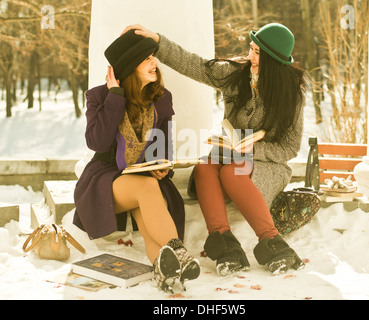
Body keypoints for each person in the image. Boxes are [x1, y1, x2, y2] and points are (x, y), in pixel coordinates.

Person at [123, 23, 308, 275]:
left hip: (267, 166)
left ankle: (273, 243)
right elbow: (194, 65)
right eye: (251, 49)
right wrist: (158, 42)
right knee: (204, 167)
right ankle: (224, 245)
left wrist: (255, 149)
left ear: (275, 62)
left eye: (257, 53)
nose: (250, 57)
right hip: (228, 155)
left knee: (234, 171)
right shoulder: (235, 75)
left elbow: (290, 147)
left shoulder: (292, 95)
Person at [73, 30, 200, 292]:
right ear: (130, 67)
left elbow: (164, 148)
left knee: (147, 200)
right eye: (147, 59)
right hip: (107, 179)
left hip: (145, 179)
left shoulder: (162, 98)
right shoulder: (99, 96)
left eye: (153, 57)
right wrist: (115, 96)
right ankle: (180, 253)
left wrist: (163, 168)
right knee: (145, 189)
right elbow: (97, 143)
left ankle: (165, 270)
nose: (154, 63)